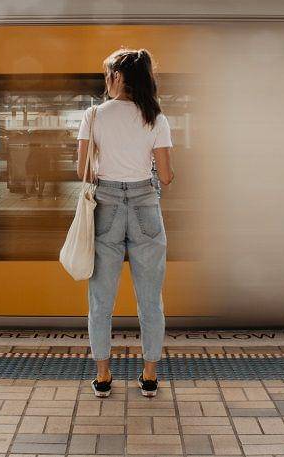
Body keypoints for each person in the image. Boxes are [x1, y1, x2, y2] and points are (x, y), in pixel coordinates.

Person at [77, 48, 174, 399]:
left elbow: (82, 170)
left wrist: (109, 170)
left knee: (101, 299)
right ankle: (149, 377)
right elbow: (166, 176)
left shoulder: (93, 115)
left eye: (108, 74)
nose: (106, 80)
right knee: (150, 299)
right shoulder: (156, 118)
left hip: (107, 207)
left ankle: (103, 377)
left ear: (117, 77)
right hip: (146, 205)